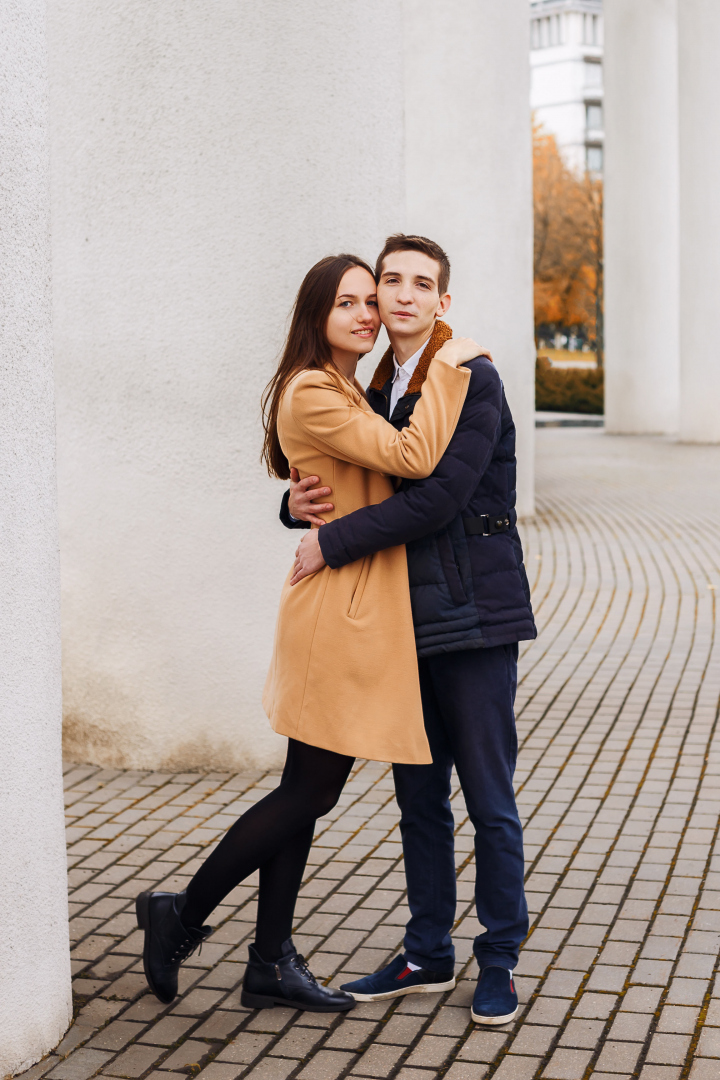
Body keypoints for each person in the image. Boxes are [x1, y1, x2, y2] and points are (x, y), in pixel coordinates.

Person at [135, 253, 479, 1013]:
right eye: (348, 303)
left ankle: (270, 961)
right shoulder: (314, 389)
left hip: (349, 607)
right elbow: (411, 457)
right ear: (316, 316)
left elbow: (351, 485)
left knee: (306, 791)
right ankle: (182, 916)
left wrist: (297, 505)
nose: (366, 313)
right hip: (338, 615)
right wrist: (452, 359)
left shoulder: (342, 388)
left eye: (369, 301)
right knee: (310, 791)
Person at [284, 234, 537, 1026]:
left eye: (418, 284)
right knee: (418, 798)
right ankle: (427, 951)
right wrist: (294, 506)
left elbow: (435, 499)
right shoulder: (372, 388)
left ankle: (499, 958)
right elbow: (351, 474)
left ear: (442, 301)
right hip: (403, 623)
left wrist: (329, 542)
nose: (399, 295)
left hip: (474, 616)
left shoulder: (472, 377)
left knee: (489, 798)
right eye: (388, 280)